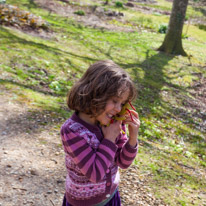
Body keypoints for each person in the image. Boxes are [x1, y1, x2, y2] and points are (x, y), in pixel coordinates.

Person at [61, 60, 140, 206]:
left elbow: (123, 162)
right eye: (115, 101)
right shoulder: (72, 130)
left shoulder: (112, 124)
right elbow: (95, 174)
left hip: (111, 198)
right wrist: (109, 138)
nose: (118, 109)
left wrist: (133, 137)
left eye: (122, 104)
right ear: (95, 93)